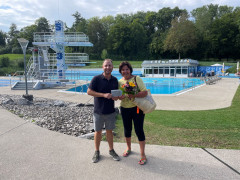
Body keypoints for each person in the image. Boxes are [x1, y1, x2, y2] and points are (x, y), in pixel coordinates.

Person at [87, 59, 120, 163]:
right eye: (106, 65)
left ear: (112, 67)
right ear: (103, 67)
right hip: (98, 111)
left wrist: (116, 98)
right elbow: (89, 91)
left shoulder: (115, 80)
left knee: (109, 132)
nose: (108, 67)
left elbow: (116, 95)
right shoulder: (96, 79)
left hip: (110, 111)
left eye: (109, 65)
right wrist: (103, 95)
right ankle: (97, 151)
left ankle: (111, 150)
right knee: (98, 132)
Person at [118, 61, 148, 165]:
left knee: (139, 130)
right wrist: (118, 97)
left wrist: (134, 95)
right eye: (123, 70)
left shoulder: (136, 79)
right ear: (120, 71)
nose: (125, 71)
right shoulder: (120, 82)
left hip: (137, 109)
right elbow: (119, 95)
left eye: (127, 69)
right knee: (127, 129)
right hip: (124, 108)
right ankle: (128, 148)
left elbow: (145, 92)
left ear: (130, 70)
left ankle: (143, 154)